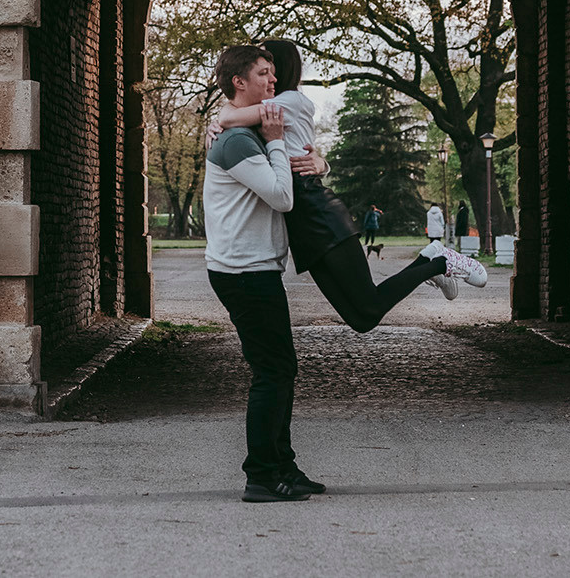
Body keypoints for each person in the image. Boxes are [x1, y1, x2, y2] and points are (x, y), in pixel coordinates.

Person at [211, 39, 486, 323]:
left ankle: (441, 262)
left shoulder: (287, 101)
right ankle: (428, 259)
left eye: (270, 68)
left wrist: (219, 119)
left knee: (369, 308)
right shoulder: (271, 108)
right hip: (302, 225)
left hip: (317, 212)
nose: (271, 77)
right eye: (262, 72)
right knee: (361, 318)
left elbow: (229, 118)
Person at [203, 44, 314, 504]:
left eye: (274, 74)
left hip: (255, 268)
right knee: (272, 371)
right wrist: (273, 141)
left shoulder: (241, 130)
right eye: (264, 75)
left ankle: (282, 465)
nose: (273, 82)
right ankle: (262, 475)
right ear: (239, 83)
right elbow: (281, 197)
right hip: (244, 272)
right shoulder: (236, 141)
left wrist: (316, 158)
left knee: (280, 369)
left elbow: (303, 160)